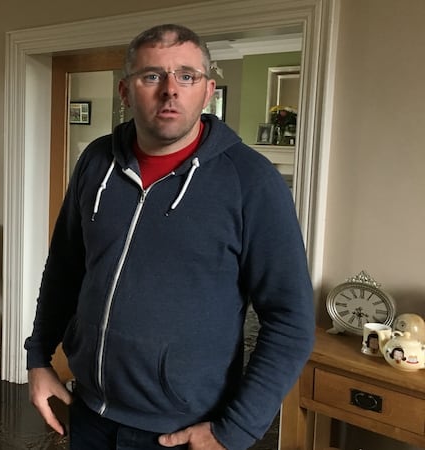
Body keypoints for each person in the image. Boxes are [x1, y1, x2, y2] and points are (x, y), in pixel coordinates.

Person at [24, 24, 314, 450]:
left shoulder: (252, 182)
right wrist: (38, 357)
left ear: (209, 89)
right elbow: (65, 269)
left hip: (181, 432)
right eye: (152, 76)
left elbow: (291, 321)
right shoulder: (95, 161)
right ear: (125, 92)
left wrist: (236, 429)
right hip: (88, 411)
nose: (170, 90)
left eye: (187, 76)